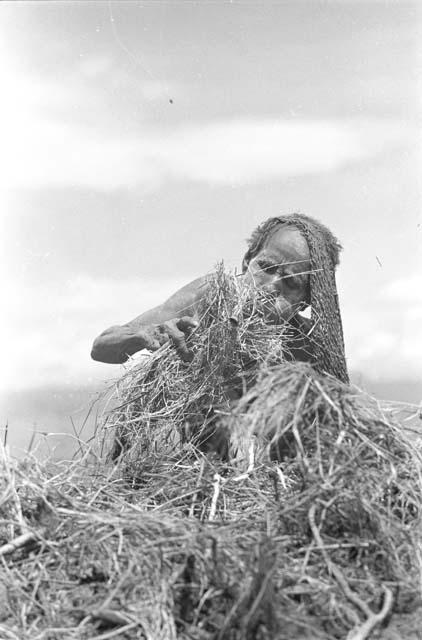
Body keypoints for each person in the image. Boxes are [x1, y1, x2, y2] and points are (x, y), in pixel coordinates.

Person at [91, 213, 349, 384]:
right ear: (247, 261)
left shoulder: (306, 349)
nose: (270, 288)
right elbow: (102, 348)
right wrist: (143, 335)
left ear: (303, 303)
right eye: (266, 268)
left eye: (291, 283)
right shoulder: (208, 297)